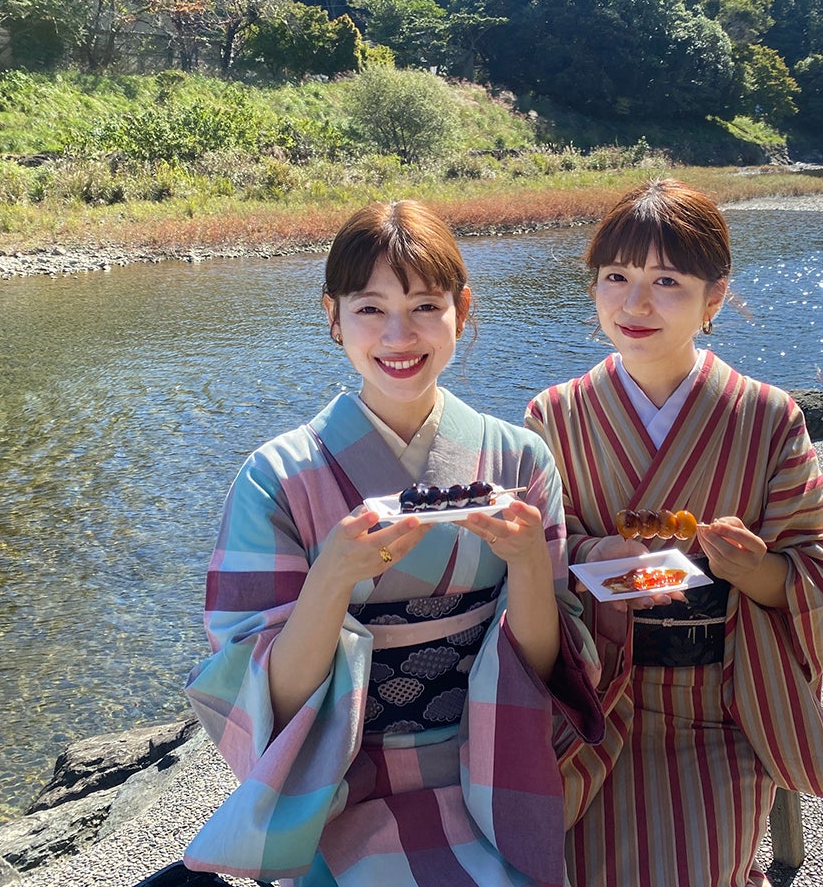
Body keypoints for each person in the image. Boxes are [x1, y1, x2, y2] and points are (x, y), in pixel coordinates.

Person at [182, 200, 603, 887]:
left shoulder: (520, 459)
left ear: (462, 311)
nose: (399, 335)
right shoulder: (277, 478)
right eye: (370, 308)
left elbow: (545, 660)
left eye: (426, 306)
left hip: (490, 766)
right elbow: (263, 696)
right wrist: (330, 581)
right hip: (338, 781)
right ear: (332, 315)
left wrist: (528, 560)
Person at [524, 179, 823, 887]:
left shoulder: (767, 418)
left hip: (720, 706)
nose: (635, 302)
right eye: (616, 276)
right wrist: (594, 553)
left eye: (667, 280)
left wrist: (752, 569)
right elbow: (530, 560)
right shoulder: (554, 416)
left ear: (714, 297)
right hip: (589, 705)